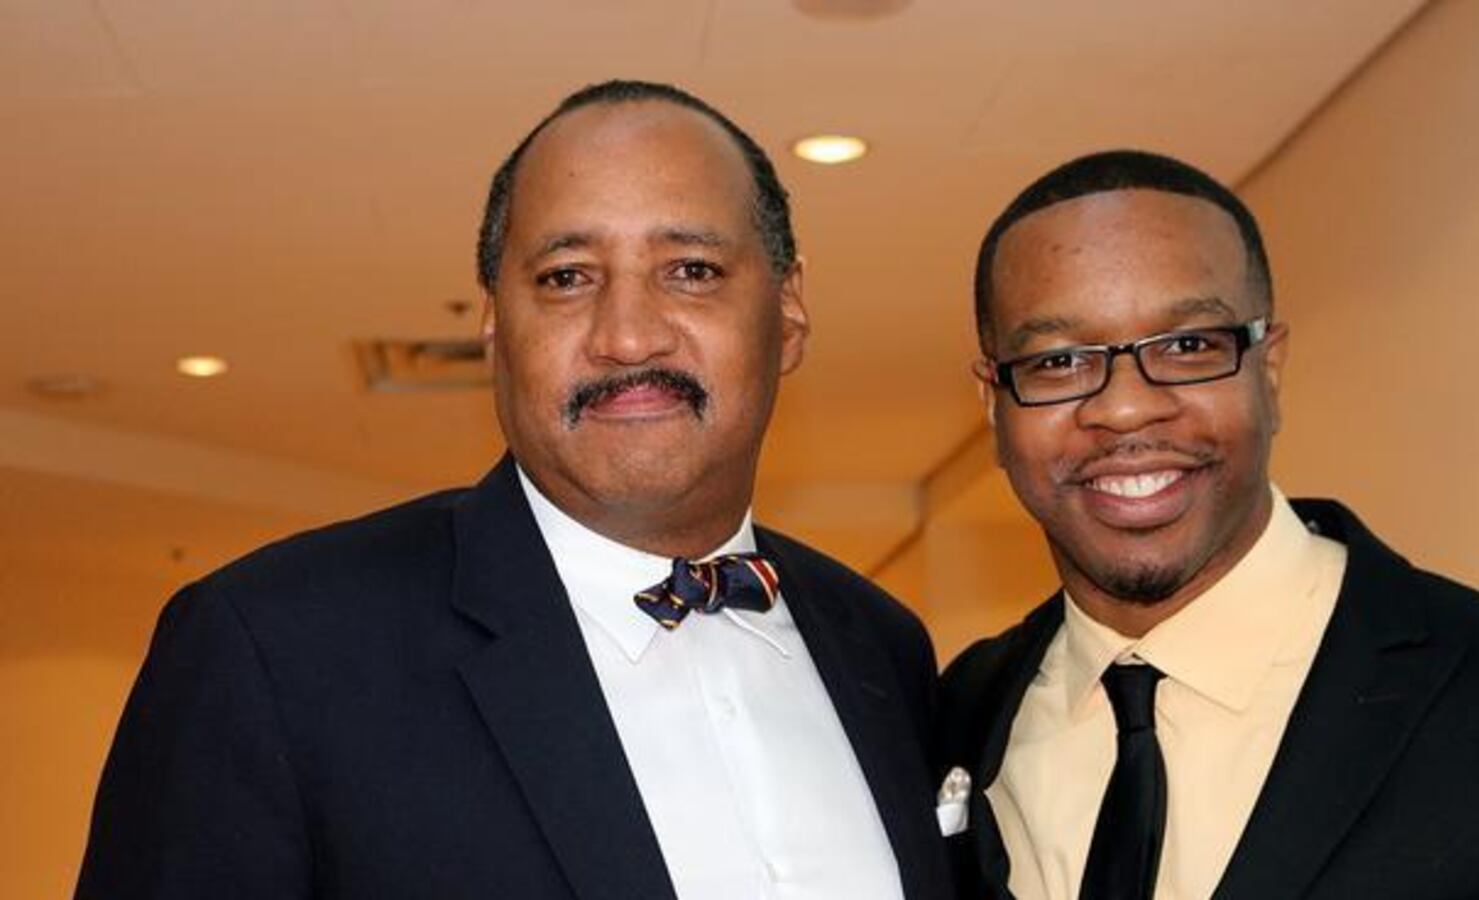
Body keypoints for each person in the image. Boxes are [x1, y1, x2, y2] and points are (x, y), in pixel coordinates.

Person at [77, 80, 954, 900]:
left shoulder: (882, 649)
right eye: (567, 277)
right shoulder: (272, 649)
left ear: (788, 309)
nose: (628, 335)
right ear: (497, 322)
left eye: (690, 269)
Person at [938, 149, 1479, 900]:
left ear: (1270, 369)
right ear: (994, 406)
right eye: (1057, 361)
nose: (1124, 408)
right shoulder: (956, 714)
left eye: (1188, 346)